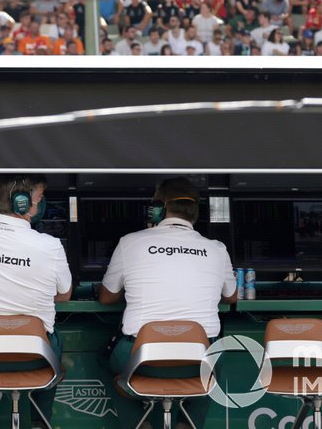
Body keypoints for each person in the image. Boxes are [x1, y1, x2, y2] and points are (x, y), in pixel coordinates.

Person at [98, 177, 237, 429]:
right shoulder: (217, 248)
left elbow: (107, 297)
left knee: (108, 363)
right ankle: (186, 424)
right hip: (199, 358)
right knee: (214, 366)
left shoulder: (130, 242)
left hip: (140, 358)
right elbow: (231, 297)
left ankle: (141, 425)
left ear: (160, 207)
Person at [0, 175, 71, 429]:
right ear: (21, 203)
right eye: (38, 199)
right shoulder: (50, 245)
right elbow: (64, 294)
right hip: (37, 358)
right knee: (54, 339)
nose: (39, 206)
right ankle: (40, 423)